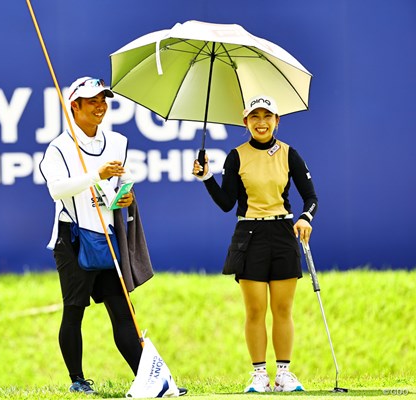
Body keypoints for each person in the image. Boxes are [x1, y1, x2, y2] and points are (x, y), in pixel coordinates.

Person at [39, 77, 187, 396]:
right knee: (74, 308)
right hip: (73, 237)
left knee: (122, 309)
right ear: (73, 106)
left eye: (103, 99)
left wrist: (125, 195)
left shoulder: (117, 141)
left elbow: (123, 182)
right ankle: (78, 380)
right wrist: (96, 175)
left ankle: (147, 377)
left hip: (107, 234)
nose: (100, 105)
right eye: (92, 100)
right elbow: (56, 189)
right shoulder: (59, 148)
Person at [192, 95, 318, 393]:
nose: (261, 122)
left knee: (283, 308)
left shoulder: (290, 154)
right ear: (245, 121)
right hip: (249, 236)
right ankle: (260, 375)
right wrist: (206, 176)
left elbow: (311, 197)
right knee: (255, 310)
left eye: (267, 116)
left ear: (277, 121)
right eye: (255, 116)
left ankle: (284, 374)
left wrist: (305, 218)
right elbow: (226, 203)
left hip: (284, 232)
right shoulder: (236, 156)